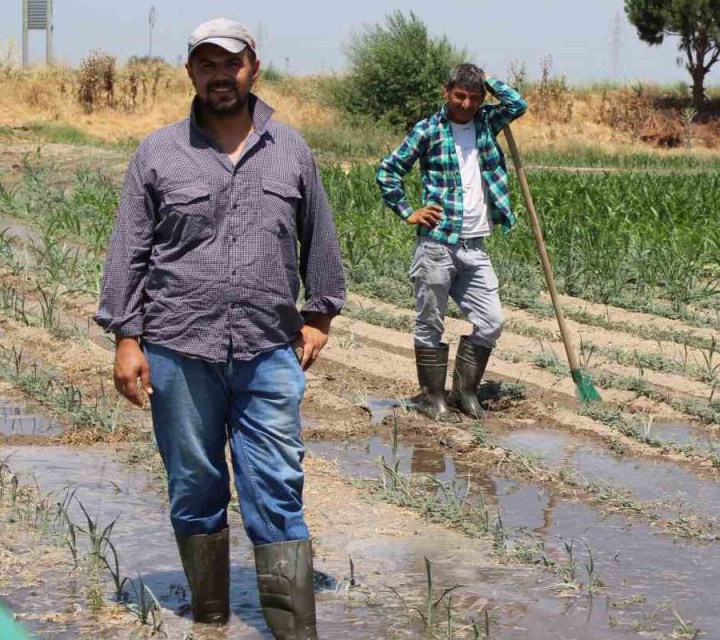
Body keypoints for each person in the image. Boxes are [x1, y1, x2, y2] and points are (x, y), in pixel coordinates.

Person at [94, 18, 345, 639]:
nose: (220, 75)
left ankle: (293, 631)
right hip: (179, 348)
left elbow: (319, 235)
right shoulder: (159, 153)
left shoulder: (291, 149)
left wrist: (319, 315)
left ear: (253, 67)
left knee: (277, 485)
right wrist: (126, 338)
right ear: (191, 73)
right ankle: (210, 618)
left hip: (268, 349)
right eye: (206, 64)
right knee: (194, 484)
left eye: (230, 63)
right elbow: (129, 250)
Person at [375, 63, 527, 421]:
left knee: (491, 321)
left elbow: (517, 103)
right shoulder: (428, 130)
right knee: (430, 322)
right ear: (447, 92)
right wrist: (408, 211)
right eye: (460, 95)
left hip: (475, 245)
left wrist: (486, 78)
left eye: (474, 97)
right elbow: (388, 171)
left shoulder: (486, 122)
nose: (466, 104)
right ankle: (432, 398)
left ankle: (464, 392)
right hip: (436, 245)